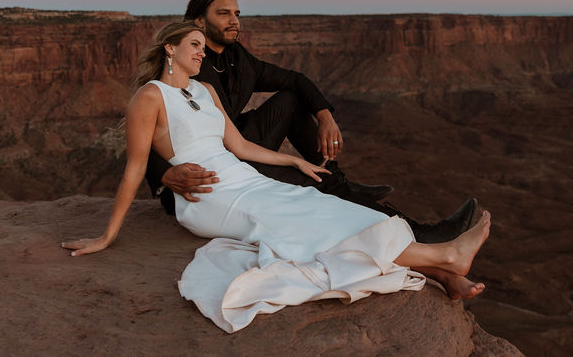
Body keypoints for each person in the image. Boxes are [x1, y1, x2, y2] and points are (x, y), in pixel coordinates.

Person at [63, 22, 491, 333]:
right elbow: (135, 167)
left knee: (327, 206)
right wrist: (107, 237)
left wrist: (294, 163)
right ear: (169, 50)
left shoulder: (204, 91)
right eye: (193, 45)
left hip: (246, 180)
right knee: (306, 226)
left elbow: (241, 147)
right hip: (211, 197)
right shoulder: (149, 96)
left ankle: (444, 275)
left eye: (201, 47)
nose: (201, 53)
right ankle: (447, 258)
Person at [144, 0, 479, 243]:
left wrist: (324, 115)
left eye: (237, 13)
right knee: (316, 184)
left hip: (238, 146)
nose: (234, 21)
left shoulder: (236, 57)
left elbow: (294, 79)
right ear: (199, 22)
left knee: (290, 99)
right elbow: (150, 125)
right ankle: (418, 233)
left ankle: (339, 179)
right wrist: (162, 176)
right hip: (212, 172)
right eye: (224, 14)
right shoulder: (185, 68)